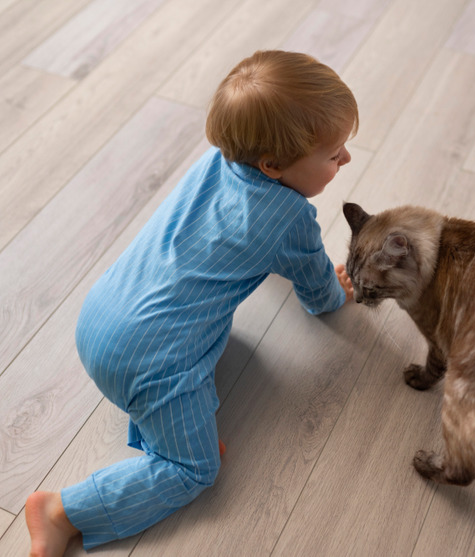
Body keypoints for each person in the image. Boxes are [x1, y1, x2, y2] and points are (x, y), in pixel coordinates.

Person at [24, 50, 356, 556]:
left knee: (203, 347)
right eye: (334, 155)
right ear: (271, 166)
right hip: (149, 358)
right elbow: (319, 295)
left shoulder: (220, 159)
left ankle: (174, 425)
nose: (345, 159)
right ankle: (61, 511)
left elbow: (225, 235)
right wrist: (337, 290)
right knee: (194, 469)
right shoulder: (290, 216)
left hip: (100, 314)